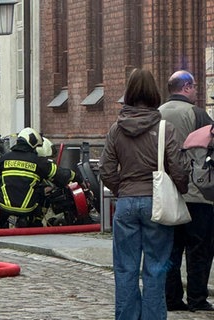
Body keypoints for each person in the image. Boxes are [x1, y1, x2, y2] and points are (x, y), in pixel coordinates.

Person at [99, 68, 190, 319]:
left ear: (128, 93)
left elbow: (105, 169)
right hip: (157, 204)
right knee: (156, 268)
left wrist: (122, 190)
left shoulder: (116, 130)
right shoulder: (164, 129)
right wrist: (180, 190)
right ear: (154, 93)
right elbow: (179, 169)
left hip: (127, 203)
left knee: (125, 269)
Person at [158, 70, 214, 312]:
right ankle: (197, 299)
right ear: (187, 87)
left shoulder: (156, 114)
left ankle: (171, 298)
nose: (197, 92)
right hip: (197, 193)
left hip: (166, 193)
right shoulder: (197, 114)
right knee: (199, 249)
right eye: (195, 87)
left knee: (170, 249)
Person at [0, 127, 78, 231]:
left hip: (3, 206)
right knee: (41, 192)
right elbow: (61, 174)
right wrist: (78, 177)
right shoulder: (38, 162)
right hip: (27, 209)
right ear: (32, 143)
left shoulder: (4, 158)